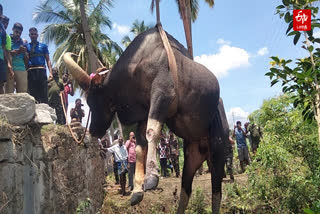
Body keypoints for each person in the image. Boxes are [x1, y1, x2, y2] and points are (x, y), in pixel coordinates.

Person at [26, 27, 52, 103]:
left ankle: (46, 111)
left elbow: (48, 60)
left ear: (37, 35)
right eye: (31, 34)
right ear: (29, 35)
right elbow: (26, 60)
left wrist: (50, 72)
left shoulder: (43, 46)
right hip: (31, 71)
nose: (33, 36)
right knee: (33, 94)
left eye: (34, 34)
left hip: (41, 71)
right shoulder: (26, 46)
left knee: (44, 92)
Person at [6, 22, 28, 93]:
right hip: (9, 69)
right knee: (9, 93)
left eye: (20, 33)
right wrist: (12, 53)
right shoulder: (7, 39)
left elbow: (26, 60)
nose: (18, 34)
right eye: (16, 32)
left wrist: (24, 52)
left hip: (21, 69)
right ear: (12, 29)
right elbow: (4, 53)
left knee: (23, 93)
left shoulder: (23, 42)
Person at [0, 15, 13, 94]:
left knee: (1, 84)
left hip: (1, 60)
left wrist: (9, 64)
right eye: (3, 22)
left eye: (7, 24)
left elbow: (7, 51)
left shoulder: (6, 36)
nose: (5, 25)